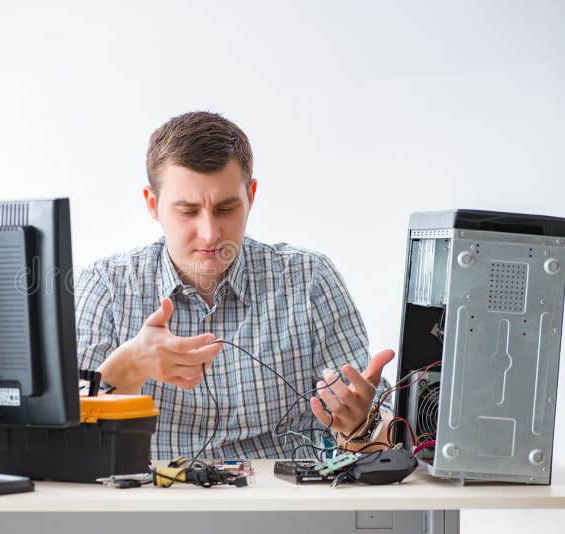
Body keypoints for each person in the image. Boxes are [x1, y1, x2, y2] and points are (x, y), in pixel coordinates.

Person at [75, 111, 393, 460]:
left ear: (251, 195)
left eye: (226, 208)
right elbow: (70, 441)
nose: (210, 233)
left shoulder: (308, 279)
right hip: (154, 506)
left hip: (284, 507)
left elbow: (377, 437)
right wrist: (131, 363)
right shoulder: (106, 286)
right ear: (153, 205)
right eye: (187, 211)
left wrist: (361, 423)